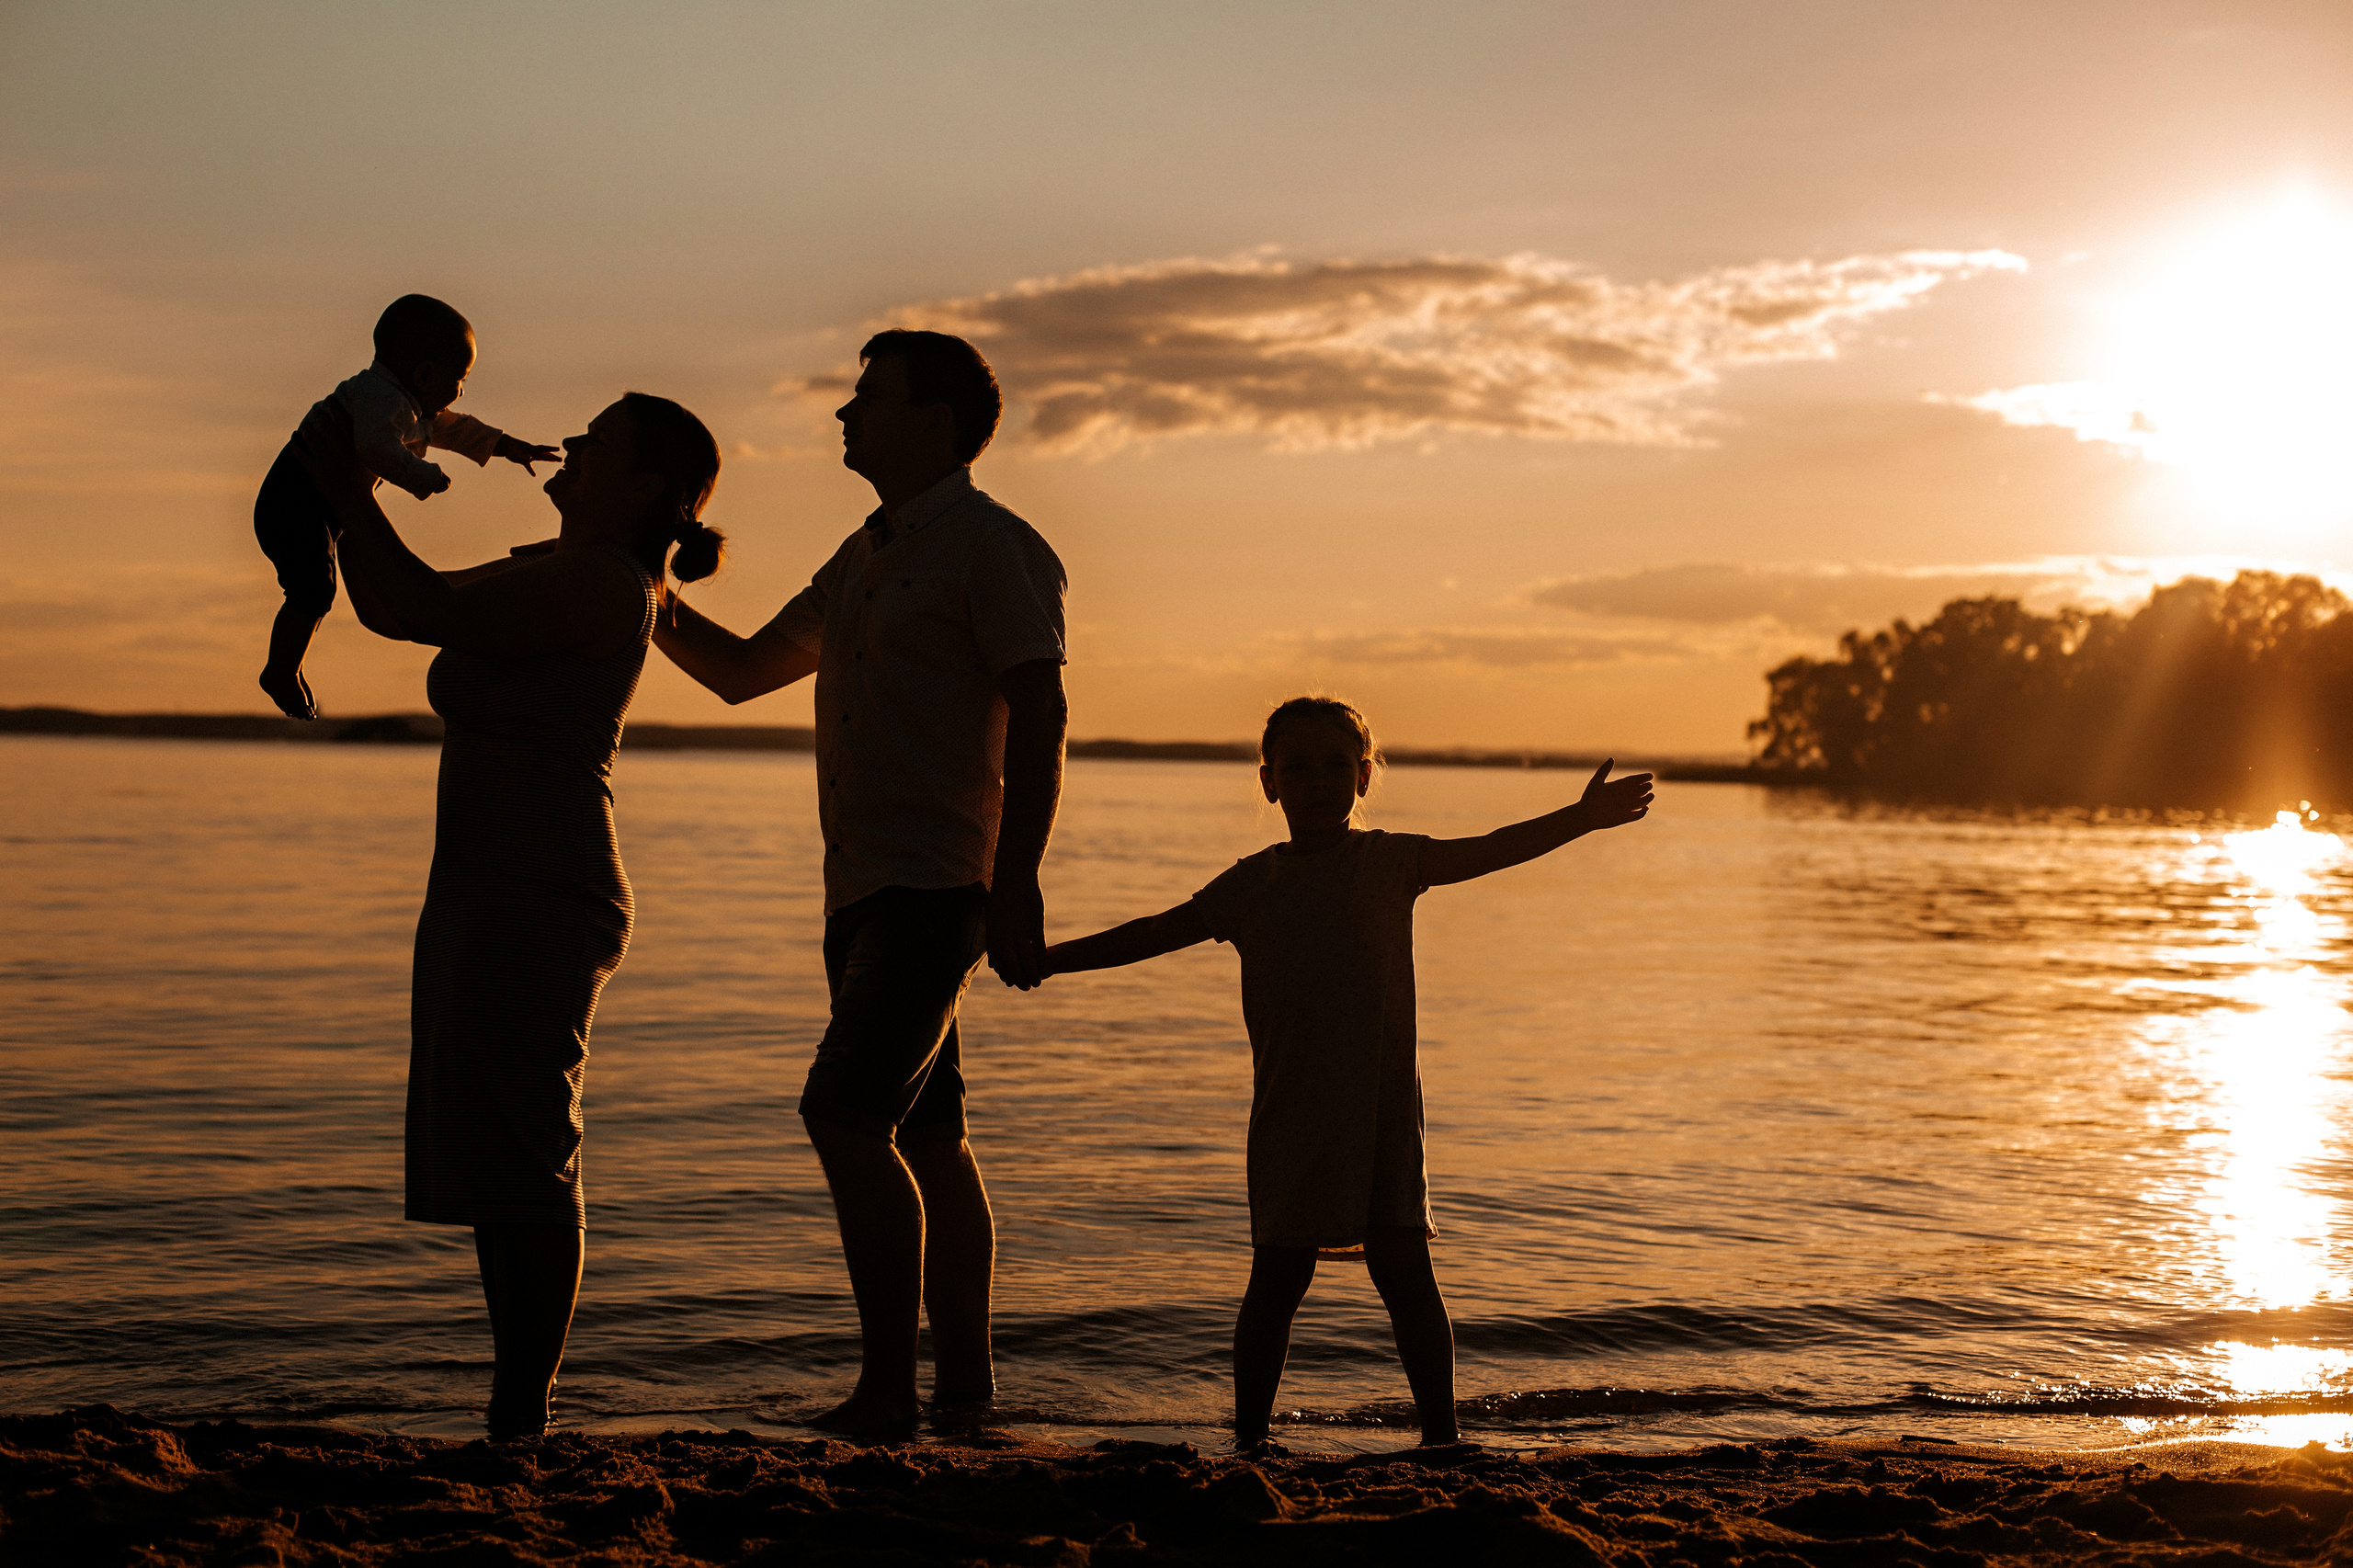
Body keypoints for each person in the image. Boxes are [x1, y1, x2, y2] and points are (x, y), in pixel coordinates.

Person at [1041, 697, 1654, 1448]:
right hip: (1291, 1116)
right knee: (1277, 1280)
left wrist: (1580, 818)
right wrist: (1048, 960)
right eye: (1297, 768)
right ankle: (1250, 1441)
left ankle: (1442, 1439)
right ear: (1269, 783)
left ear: (1364, 777)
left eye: (1336, 765)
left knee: (1406, 1274)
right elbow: (1151, 933)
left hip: (1382, 1114)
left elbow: (1493, 848)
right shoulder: (1250, 885)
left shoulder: (1391, 862)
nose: (1318, 782)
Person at [654, 329, 1068, 1435]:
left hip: (936, 886)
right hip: (858, 890)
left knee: (842, 1114)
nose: (845, 413)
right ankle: (965, 1391)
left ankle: (888, 1391)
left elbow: (1041, 712)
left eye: (868, 396)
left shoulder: (994, 546)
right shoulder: (861, 555)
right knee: (928, 1138)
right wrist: (640, 579)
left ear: (934, 421)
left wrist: (1015, 882)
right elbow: (743, 671)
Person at [291, 390, 727, 1440]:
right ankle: (513, 1405)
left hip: (540, 884)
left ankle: (522, 1412)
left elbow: (414, 607)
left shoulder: (601, 581)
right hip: (488, 883)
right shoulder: (559, 565)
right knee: (496, 1156)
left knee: (525, 1153)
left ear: (645, 486)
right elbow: (396, 600)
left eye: (598, 439)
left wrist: (346, 484)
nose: (571, 441)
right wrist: (339, 495)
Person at [256, 293, 560, 720]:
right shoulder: (380, 399)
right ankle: (281, 670)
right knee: (314, 589)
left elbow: (456, 429)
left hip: (317, 508)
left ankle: (284, 668)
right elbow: (377, 449)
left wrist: (506, 446)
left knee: (316, 588)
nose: (461, 392)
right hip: (292, 505)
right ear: (425, 374)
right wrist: (425, 477)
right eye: (460, 379)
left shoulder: (405, 403)